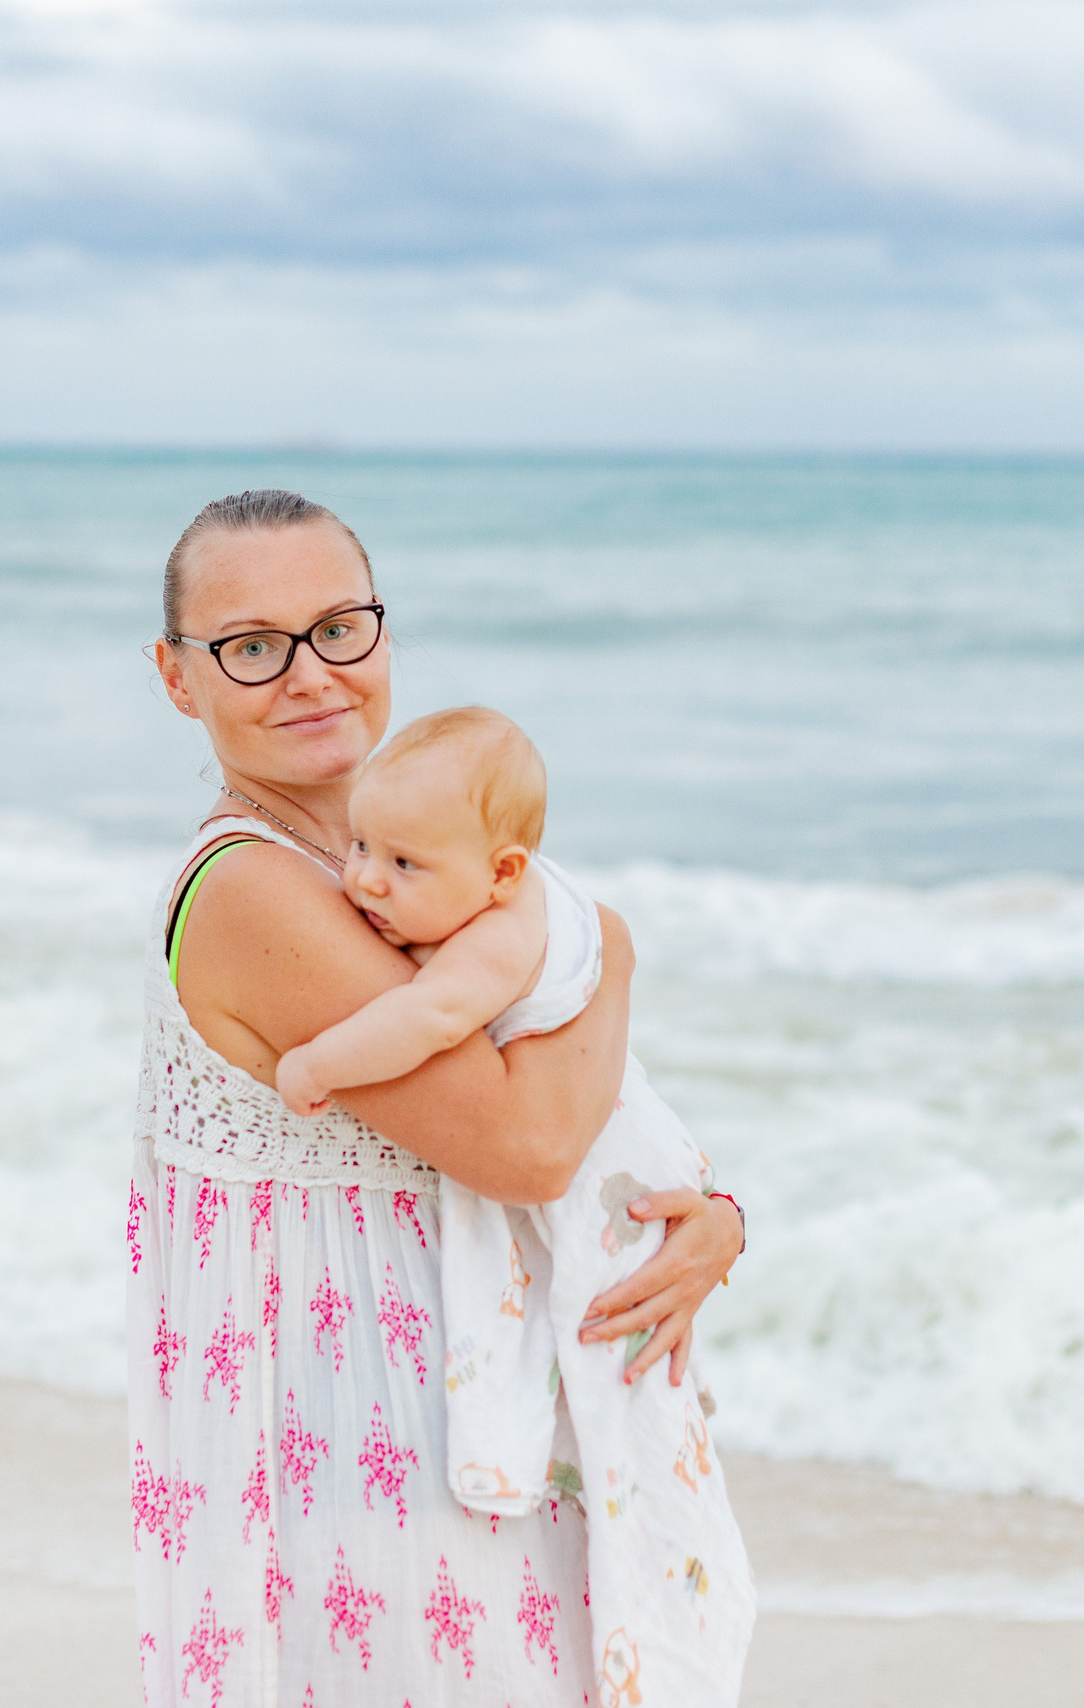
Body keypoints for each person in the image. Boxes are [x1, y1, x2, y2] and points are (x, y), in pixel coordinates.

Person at [134, 490, 746, 1707]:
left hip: (468, 1415)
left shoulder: (401, 872)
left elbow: (576, 1094)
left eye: (341, 628)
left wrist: (715, 1212)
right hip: (369, 1443)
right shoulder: (253, 891)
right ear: (176, 676)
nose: (311, 676)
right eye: (251, 647)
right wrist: (611, 943)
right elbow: (525, 1141)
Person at [270, 702, 756, 1702]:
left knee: (604, 1331)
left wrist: (316, 1061)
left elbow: (430, 1015)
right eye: (361, 846)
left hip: (614, 1158)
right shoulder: (487, 894)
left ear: (500, 873)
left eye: (403, 865)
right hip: (601, 1134)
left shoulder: (498, 932)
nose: (364, 879)